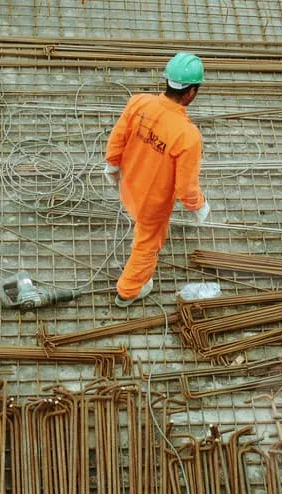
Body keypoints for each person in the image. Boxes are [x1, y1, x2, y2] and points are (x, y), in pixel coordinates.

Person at [104, 52, 211, 308]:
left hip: (128, 184)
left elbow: (117, 137)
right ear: (191, 92)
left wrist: (112, 164)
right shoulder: (188, 136)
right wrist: (198, 206)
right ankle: (128, 291)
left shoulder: (139, 102)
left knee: (142, 231)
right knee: (147, 245)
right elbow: (186, 187)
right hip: (152, 203)